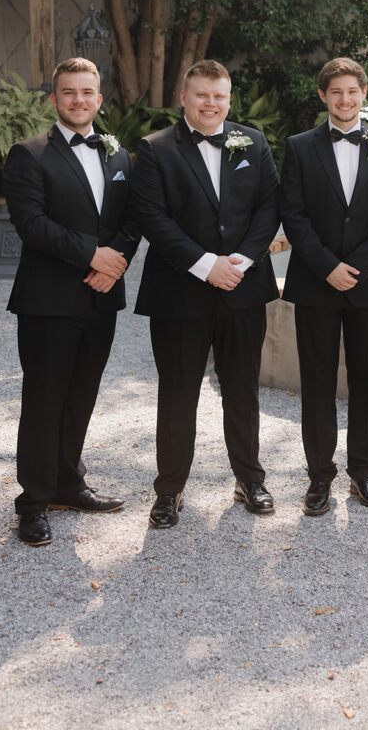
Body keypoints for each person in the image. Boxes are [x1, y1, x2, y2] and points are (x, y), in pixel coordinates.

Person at [131, 59, 280, 528]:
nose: (211, 103)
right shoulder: (155, 150)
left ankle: (250, 479)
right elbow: (153, 218)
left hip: (242, 286)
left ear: (229, 99)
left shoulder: (252, 142)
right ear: (184, 97)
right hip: (180, 293)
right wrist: (205, 265)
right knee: (178, 394)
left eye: (219, 96)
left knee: (243, 391)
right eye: (202, 95)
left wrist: (242, 260)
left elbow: (270, 206)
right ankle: (169, 489)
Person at [4, 57, 138, 546]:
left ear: (100, 99)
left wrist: (115, 263)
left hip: (101, 299)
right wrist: (92, 257)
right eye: (69, 93)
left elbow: (134, 217)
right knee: (44, 400)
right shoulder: (29, 154)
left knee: (81, 395)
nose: (79, 100)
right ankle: (33, 501)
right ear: (55, 99)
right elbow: (32, 224)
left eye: (87, 92)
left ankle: (67, 483)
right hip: (49, 301)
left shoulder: (118, 155)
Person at [279, 58, 368, 515]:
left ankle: (364, 472)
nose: (345, 99)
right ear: (323, 97)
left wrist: (358, 266)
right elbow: (293, 214)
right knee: (317, 382)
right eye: (336, 93)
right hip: (315, 283)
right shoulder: (299, 147)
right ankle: (319, 477)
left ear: (364, 94)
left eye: (352, 91)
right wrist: (328, 266)